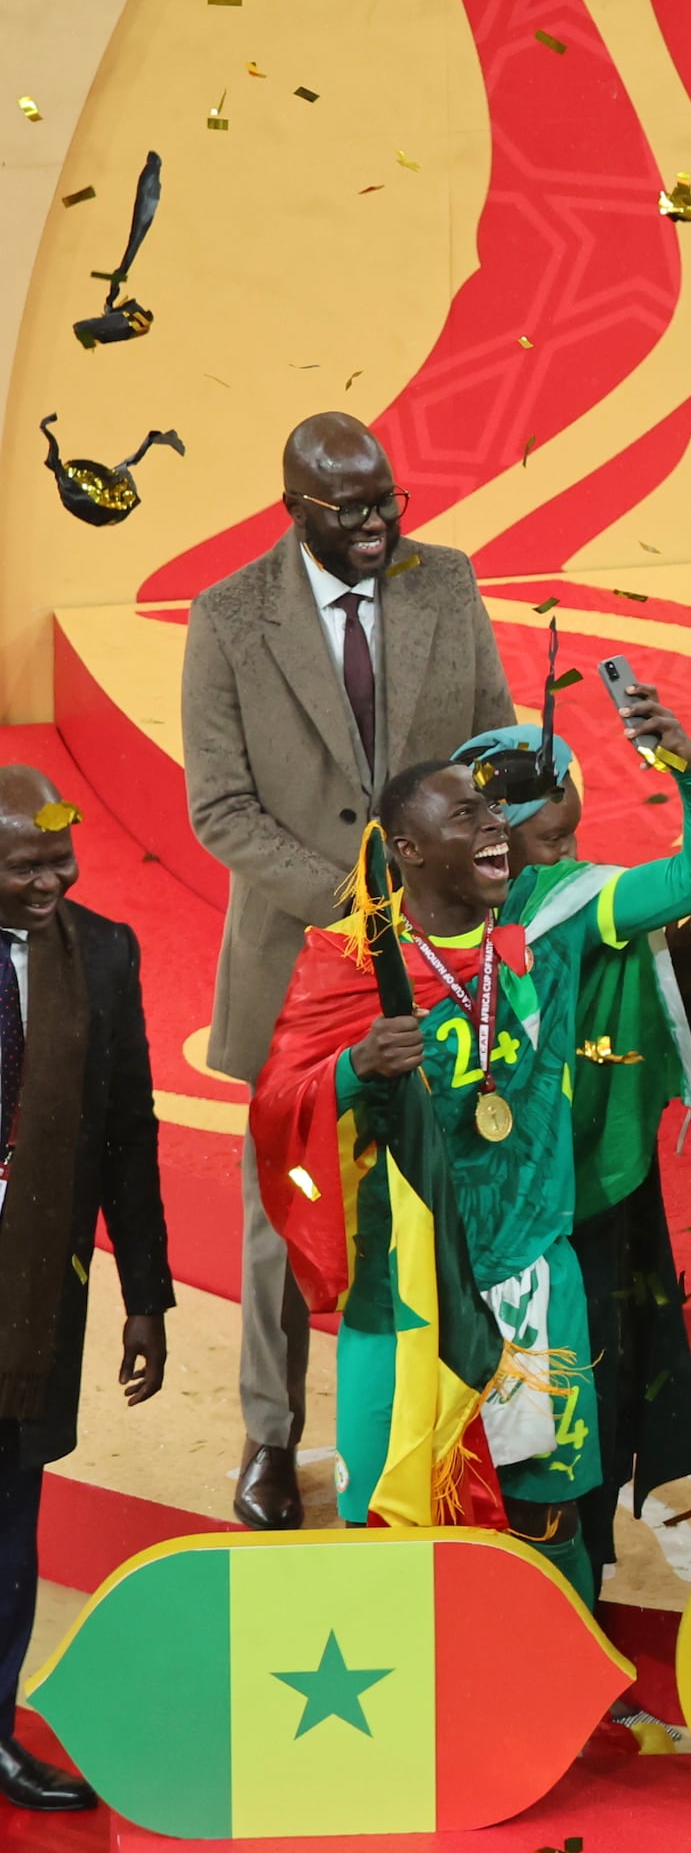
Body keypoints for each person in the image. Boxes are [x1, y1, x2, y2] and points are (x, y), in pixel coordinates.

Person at [249, 679, 691, 1602]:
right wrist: (355, 1069)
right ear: (405, 850)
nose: (492, 827)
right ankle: (413, 1729)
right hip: (403, 1299)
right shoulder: (350, 961)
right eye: (466, 814)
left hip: (534, 1286)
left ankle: (555, 1710)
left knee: (548, 1518)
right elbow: (277, 1105)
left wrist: (688, 767)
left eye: (493, 813)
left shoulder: (548, 930)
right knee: (393, 1527)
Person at [182, 410, 515, 1529]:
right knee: (285, 1206)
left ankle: (460, 1415)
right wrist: (359, 906)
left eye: (389, 502)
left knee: (453, 1176)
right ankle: (270, 1437)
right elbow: (218, 809)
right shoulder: (230, 618)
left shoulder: (447, 584)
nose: (379, 525)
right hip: (299, 958)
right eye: (353, 510)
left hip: (445, 954)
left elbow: (489, 749)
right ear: (296, 510)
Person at [460, 722, 691, 1645]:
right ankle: (497, 1641)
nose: (565, 846)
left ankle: (571, 1637)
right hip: (478, 1217)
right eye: (550, 829)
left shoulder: (580, 903)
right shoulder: (422, 921)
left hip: (577, 1211)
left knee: (582, 1428)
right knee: (504, 1431)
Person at [0, 766, 169, 1813]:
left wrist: (145, 1292)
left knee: (10, 1527)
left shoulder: (103, 953)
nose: (52, 879)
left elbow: (129, 1134)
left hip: (29, 1308)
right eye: (25, 866)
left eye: (62, 859)